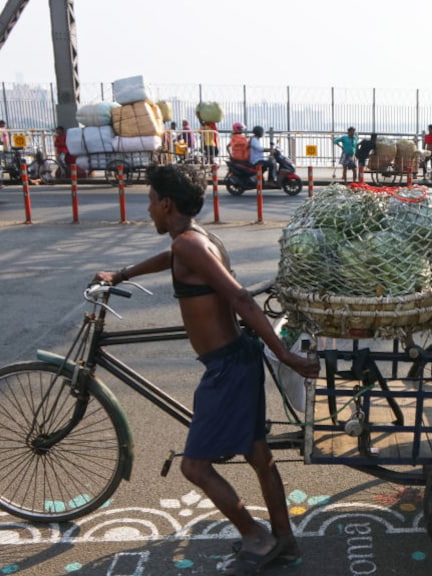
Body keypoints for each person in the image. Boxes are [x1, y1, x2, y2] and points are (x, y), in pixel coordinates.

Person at [92, 164, 319, 575]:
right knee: (257, 454)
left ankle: (257, 537)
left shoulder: (190, 246)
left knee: (194, 466)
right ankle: (284, 541)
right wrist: (122, 273)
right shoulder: (193, 240)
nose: (147, 211)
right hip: (237, 361)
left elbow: (240, 300)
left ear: (166, 204)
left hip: (226, 369)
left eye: (149, 202)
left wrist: (286, 356)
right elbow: (171, 258)